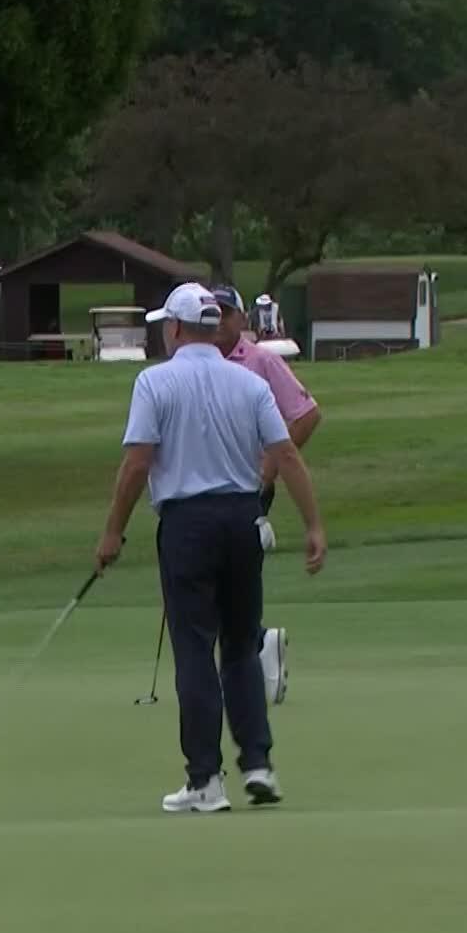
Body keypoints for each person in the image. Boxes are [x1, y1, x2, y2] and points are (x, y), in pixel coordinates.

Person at [94, 283, 326, 813]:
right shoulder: (246, 383)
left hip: (187, 524)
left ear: (176, 329)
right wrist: (314, 524)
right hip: (243, 519)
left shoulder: (155, 382)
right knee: (241, 646)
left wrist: (112, 532)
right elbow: (286, 454)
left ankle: (205, 780)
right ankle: (259, 764)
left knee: (195, 649)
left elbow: (136, 464)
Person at [212, 286, 320, 705]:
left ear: (242, 320)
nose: (219, 322)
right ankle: (257, 644)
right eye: (212, 313)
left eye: (226, 314)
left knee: (228, 579)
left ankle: (253, 649)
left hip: (248, 488)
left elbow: (307, 416)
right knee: (222, 582)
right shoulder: (190, 364)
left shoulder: (261, 361)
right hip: (206, 489)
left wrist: (269, 468)